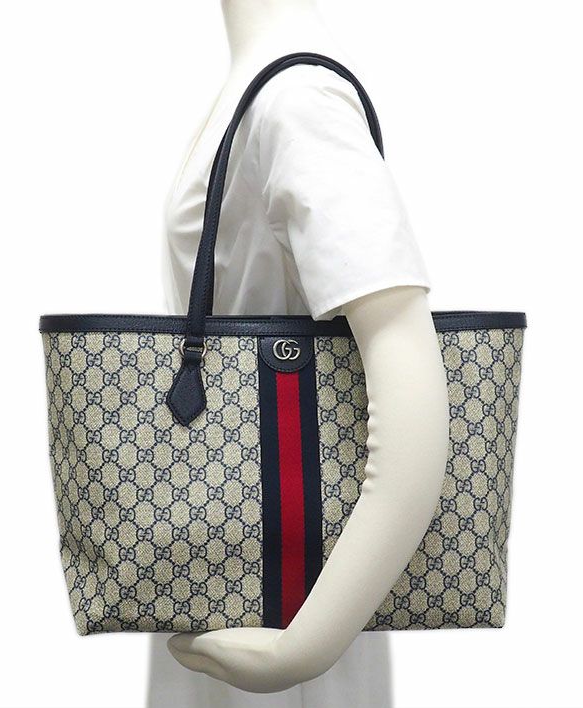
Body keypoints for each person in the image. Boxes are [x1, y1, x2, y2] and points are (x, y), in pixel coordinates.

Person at [147, 1, 449, 704]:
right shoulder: (261, 86)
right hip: (230, 591)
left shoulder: (298, 102)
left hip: (288, 621)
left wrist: (302, 648)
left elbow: (413, 390)